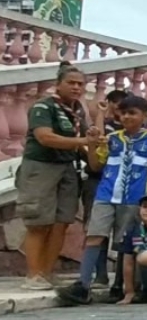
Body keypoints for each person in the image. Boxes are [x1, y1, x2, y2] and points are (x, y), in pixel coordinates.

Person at [55, 94, 147, 305]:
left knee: (124, 243)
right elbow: (96, 165)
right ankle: (83, 285)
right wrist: (93, 146)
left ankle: (120, 285)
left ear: (145, 116)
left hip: (134, 197)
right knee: (94, 236)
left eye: (132, 113)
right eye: (123, 113)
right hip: (106, 194)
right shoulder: (113, 138)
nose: (126, 117)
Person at [17, 62, 98, 291]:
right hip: (41, 167)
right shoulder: (43, 107)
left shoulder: (77, 110)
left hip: (67, 167)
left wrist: (92, 145)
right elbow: (45, 137)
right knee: (38, 222)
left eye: (80, 84)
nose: (76, 87)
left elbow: (85, 137)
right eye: (71, 83)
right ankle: (33, 275)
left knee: (62, 222)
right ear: (58, 84)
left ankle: (47, 272)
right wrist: (83, 142)